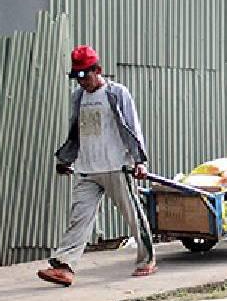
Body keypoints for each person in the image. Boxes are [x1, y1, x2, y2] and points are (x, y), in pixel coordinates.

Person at [37, 45, 155, 286]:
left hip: (115, 166)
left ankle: (147, 259)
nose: (82, 82)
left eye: (85, 76)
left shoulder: (116, 93)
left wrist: (140, 161)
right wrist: (65, 160)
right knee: (79, 217)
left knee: (132, 215)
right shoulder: (77, 97)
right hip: (88, 168)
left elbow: (132, 127)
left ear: (98, 70)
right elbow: (75, 132)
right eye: (77, 77)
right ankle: (65, 266)